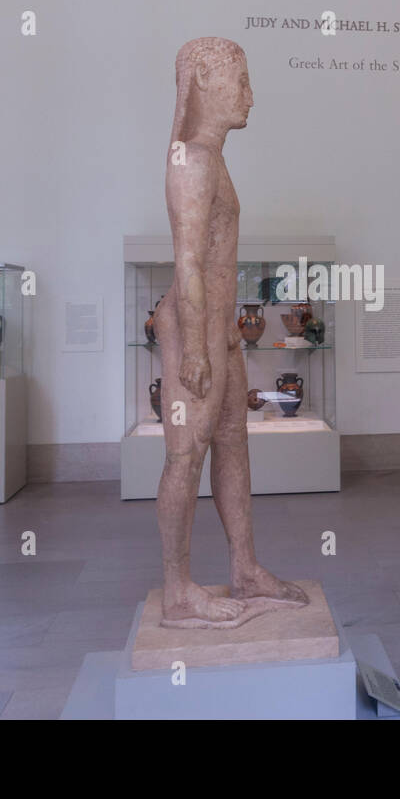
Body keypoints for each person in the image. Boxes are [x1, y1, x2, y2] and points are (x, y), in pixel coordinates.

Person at [153, 37, 307, 627]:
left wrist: (223, 335)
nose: (249, 95)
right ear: (202, 83)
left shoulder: (212, 158)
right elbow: (188, 260)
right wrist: (195, 345)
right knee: (184, 455)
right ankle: (177, 590)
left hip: (218, 330)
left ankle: (244, 566)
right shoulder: (190, 159)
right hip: (195, 329)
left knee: (234, 440)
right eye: (238, 80)